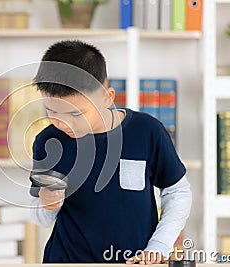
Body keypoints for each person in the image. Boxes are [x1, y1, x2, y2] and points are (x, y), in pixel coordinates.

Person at [28, 40, 192, 264]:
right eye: (53, 111)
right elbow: (42, 218)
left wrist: (159, 246)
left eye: (76, 114)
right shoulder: (47, 141)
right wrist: (48, 203)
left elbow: (177, 193)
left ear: (107, 97)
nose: (64, 123)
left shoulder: (146, 131)